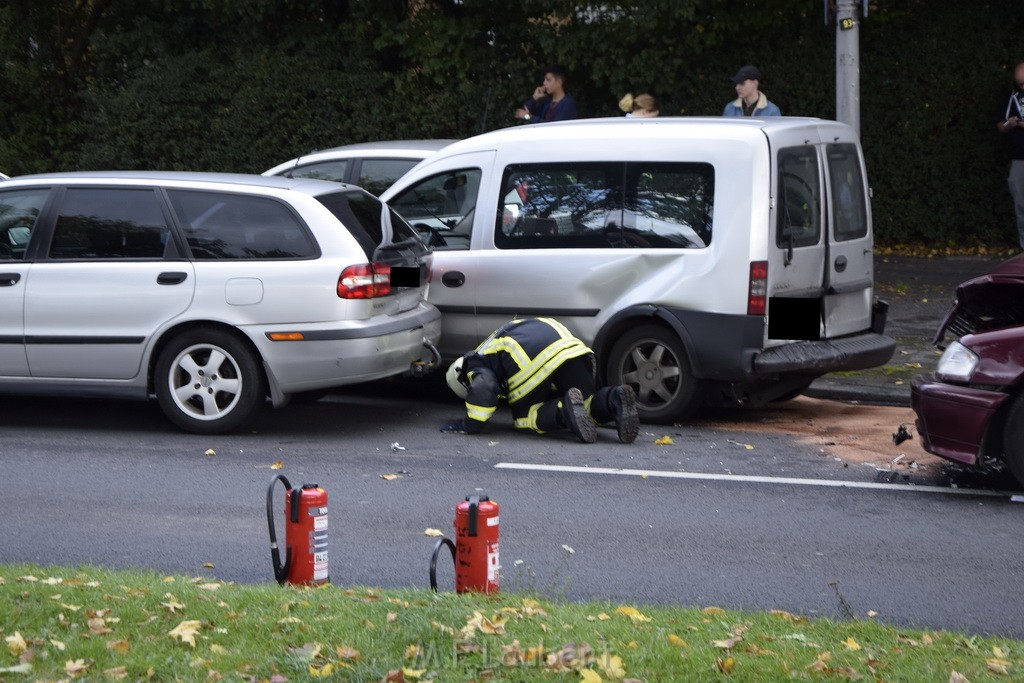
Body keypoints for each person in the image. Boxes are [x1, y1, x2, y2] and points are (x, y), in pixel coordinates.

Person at [440, 317, 639, 444]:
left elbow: (484, 386)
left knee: (525, 419)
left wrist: (469, 425)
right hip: (574, 349)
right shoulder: (499, 335)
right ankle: (614, 398)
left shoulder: (474, 361)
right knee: (586, 403)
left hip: (535, 360)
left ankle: (563, 410)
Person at [999, 62, 1024, 250]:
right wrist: (1010, 124)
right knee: (1021, 204)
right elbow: (1000, 125)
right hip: (1019, 158)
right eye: (1019, 83)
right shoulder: (1011, 97)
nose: (1022, 87)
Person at [514, 65, 578, 123]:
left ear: (559, 82)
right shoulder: (546, 102)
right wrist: (534, 98)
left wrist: (528, 116)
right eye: (544, 80)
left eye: (548, 80)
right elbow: (520, 113)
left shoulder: (568, 103)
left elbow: (554, 126)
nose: (544, 83)